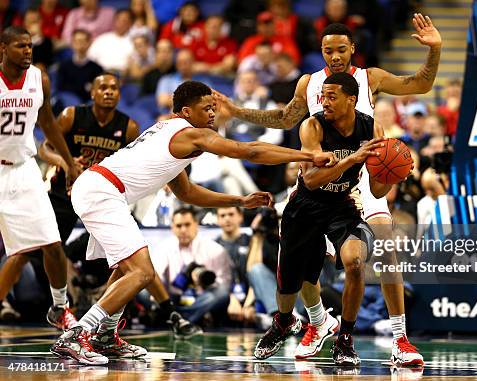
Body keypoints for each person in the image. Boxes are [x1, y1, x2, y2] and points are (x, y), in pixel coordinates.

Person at [50, 80, 336, 365]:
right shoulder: (191, 135)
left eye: (214, 108)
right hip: (103, 191)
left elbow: (187, 192)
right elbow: (249, 151)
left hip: (102, 189)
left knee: (126, 269)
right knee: (142, 273)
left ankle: (106, 337)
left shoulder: (169, 134)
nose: (212, 114)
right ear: (187, 112)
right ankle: (78, 333)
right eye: (206, 109)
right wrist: (309, 155)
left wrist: (238, 201)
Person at [214, 18, 440, 366]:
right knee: (302, 256)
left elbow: (420, 84)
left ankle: (400, 339)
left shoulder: (370, 78)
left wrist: (434, 49)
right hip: (320, 173)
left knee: (385, 250)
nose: (334, 56)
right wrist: (237, 111)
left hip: (361, 172)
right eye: (327, 50)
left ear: (352, 48)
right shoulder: (309, 83)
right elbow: (285, 118)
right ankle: (318, 322)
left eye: (340, 49)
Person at [40, 73, 201, 339]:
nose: (108, 92)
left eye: (114, 88)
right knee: (46, 250)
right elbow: (45, 148)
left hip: (105, 196)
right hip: (64, 193)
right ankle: (65, 307)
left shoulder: (128, 127)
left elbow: (141, 161)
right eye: (102, 87)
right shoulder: (71, 116)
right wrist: (67, 163)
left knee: (135, 256)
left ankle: (159, 314)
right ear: (92, 92)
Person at [253, 72, 389, 365]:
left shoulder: (372, 128)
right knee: (290, 281)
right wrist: (352, 160)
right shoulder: (312, 126)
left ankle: (345, 339)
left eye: (331, 96)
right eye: (322, 96)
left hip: (341, 204)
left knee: (355, 263)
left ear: (352, 99)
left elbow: (378, 188)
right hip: (305, 204)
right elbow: (312, 180)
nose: (323, 101)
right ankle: (283, 321)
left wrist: (391, 172)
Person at [0, 26, 81, 332]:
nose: (28, 51)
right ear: (3, 49)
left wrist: (69, 162)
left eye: (30, 46)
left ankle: (60, 306)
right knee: (18, 255)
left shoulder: (39, 78)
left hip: (23, 168)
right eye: (20, 46)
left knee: (51, 242)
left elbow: (47, 122)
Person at [149, 207, 232, 326]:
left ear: (196, 225)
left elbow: (224, 283)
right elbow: (154, 276)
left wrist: (203, 282)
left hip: (203, 297)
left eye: (187, 225)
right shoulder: (163, 248)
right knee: (145, 291)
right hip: (172, 298)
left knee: (222, 293)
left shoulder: (215, 249)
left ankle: (177, 319)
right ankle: (187, 318)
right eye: (178, 226)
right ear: (172, 228)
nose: (183, 230)